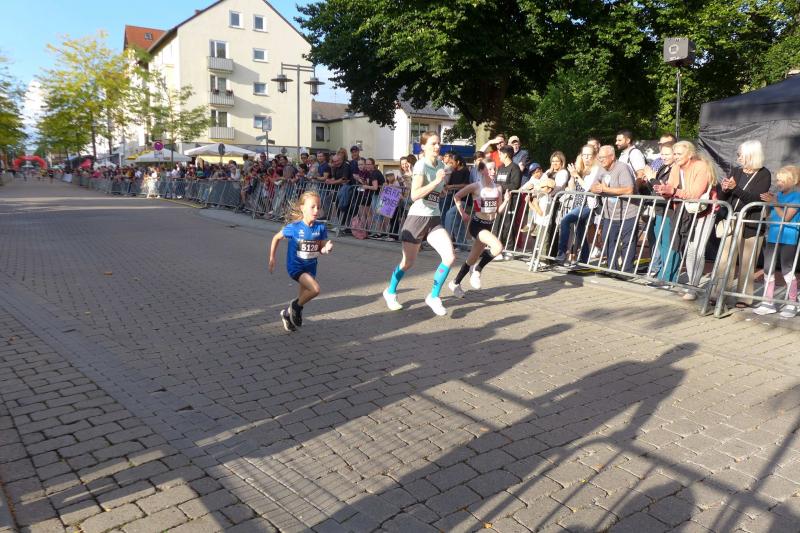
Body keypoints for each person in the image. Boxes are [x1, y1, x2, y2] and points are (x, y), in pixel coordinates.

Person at [382, 131, 456, 316]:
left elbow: (436, 192)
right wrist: (437, 181)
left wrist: (442, 191)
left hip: (434, 218)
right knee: (408, 262)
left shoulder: (440, 165)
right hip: (417, 218)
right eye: (433, 143)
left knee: (449, 256)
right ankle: (390, 291)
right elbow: (415, 195)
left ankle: (434, 296)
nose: (437, 147)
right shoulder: (421, 165)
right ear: (423, 146)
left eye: (438, 143)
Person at [655, 141, 717, 300]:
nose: (675, 157)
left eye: (679, 154)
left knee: (697, 250)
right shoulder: (676, 168)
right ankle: (692, 285)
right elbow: (671, 189)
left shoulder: (701, 166)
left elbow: (695, 194)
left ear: (690, 154)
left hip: (703, 213)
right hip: (684, 213)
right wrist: (664, 191)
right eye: (674, 154)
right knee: (689, 250)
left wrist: (673, 191)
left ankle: (693, 287)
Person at [714, 140, 772, 307]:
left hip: (751, 223)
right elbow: (723, 197)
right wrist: (724, 189)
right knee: (724, 260)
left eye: (741, 154)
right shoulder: (736, 171)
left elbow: (755, 199)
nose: (738, 157)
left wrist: (735, 189)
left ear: (751, 155)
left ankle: (744, 298)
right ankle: (718, 293)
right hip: (732, 221)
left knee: (747, 262)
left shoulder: (764, 174)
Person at [268, 191, 334, 332]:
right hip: (296, 267)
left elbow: (321, 247)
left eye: (318, 207)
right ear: (302, 208)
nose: (316, 210)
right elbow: (276, 238)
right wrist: (272, 257)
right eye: (312, 207)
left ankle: (288, 315)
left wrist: (326, 248)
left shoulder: (320, 227)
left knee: (303, 297)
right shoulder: (294, 227)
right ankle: (295, 306)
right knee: (315, 290)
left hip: (311, 268)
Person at [448, 160, 511, 296]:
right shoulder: (476, 186)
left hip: (488, 225)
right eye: (490, 169)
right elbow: (457, 196)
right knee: (498, 247)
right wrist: (463, 213)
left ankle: (455, 282)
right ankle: (478, 269)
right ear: (482, 170)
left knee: (471, 258)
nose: (493, 172)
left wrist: (506, 200)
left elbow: (498, 210)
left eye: (494, 169)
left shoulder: (498, 188)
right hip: (477, 225)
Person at [754, 165, 800, 316]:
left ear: (793, 181)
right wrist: (768, 205)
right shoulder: (777, 196)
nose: (779, 183)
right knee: (768, 268)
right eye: (778, 180)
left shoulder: (797, 196)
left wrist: (774, 202)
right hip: (773, 237)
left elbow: (786, 218)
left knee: (787, 269)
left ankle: (792, 302)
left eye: (783, 180)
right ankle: (768, 302)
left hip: (788, 238)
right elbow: (770, 215)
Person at [591, 146, 637, 274]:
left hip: (628, 211)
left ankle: (626, 271)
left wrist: (605, 189)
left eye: (603, 157)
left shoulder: (622, 168)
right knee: (608, 240)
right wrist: (596, 189)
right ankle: (612, 268)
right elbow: (593, 186)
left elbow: (629, 190)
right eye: (599, 158)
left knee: (628, 242)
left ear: (612, 157)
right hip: (609, 213)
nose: (601, 160)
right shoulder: (601, 169)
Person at [555, 145, 602, 264]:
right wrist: (573, 176)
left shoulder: (596, 169)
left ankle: (561, 253)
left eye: (589, 155)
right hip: (578, 202)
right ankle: (584, 259)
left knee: (565, 220)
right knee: (579, 232)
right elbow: (572, 188)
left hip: (588, 204)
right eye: (584, 155)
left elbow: (589, 188)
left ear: (594, 156)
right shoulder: (581, 169)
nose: (586, 158)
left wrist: (576, 175)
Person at [641, 142, 676, 282]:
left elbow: (665, 189)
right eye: (662, 154)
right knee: (660, 243)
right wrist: (648, 181)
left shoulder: (675, 169)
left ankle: (668, 277)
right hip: (658, 209)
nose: (664, 157)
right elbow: (655, 188)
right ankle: (662, 274)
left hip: (669, 210)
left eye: (667, 154)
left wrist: (651, 178)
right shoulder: (663, 167)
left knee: (667, 244)